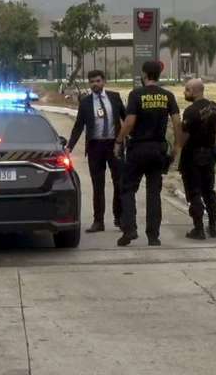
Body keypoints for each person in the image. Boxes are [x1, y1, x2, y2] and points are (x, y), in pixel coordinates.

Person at [115, 61, 183, 247]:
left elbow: (129, 122)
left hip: (138, 148)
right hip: (158, 149)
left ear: (144, 74)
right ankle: (153, 236)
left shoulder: (136, 94)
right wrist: (177, 146)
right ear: (159, 75)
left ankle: (129, 229)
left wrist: (119, 141)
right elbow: (177, 122)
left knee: (127, 188)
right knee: (154, 193)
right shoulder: (167, 96)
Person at [67, 70, 127, 233]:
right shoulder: (85, 102)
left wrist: (130, 139)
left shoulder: (115, 97)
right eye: (92, 81)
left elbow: (126, 118)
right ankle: (98, 221)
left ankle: (119, 218)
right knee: (97, 185)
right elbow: (78, 126)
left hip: (115, 146)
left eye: (98, 81)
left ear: (104, 81)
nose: (95, 84)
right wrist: (69, 147)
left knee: (119, 182)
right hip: (95, 147)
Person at [178, 78, 216, 240]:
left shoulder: (190, 112)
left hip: (192, 156)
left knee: (194, 192)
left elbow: (183, 139)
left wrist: (175, 152)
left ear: (195, 91)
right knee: (209, 190)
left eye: (187, 90)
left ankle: (198, 229)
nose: (185, 93)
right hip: (209, 155)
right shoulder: (214, 107)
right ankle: (212, 226)